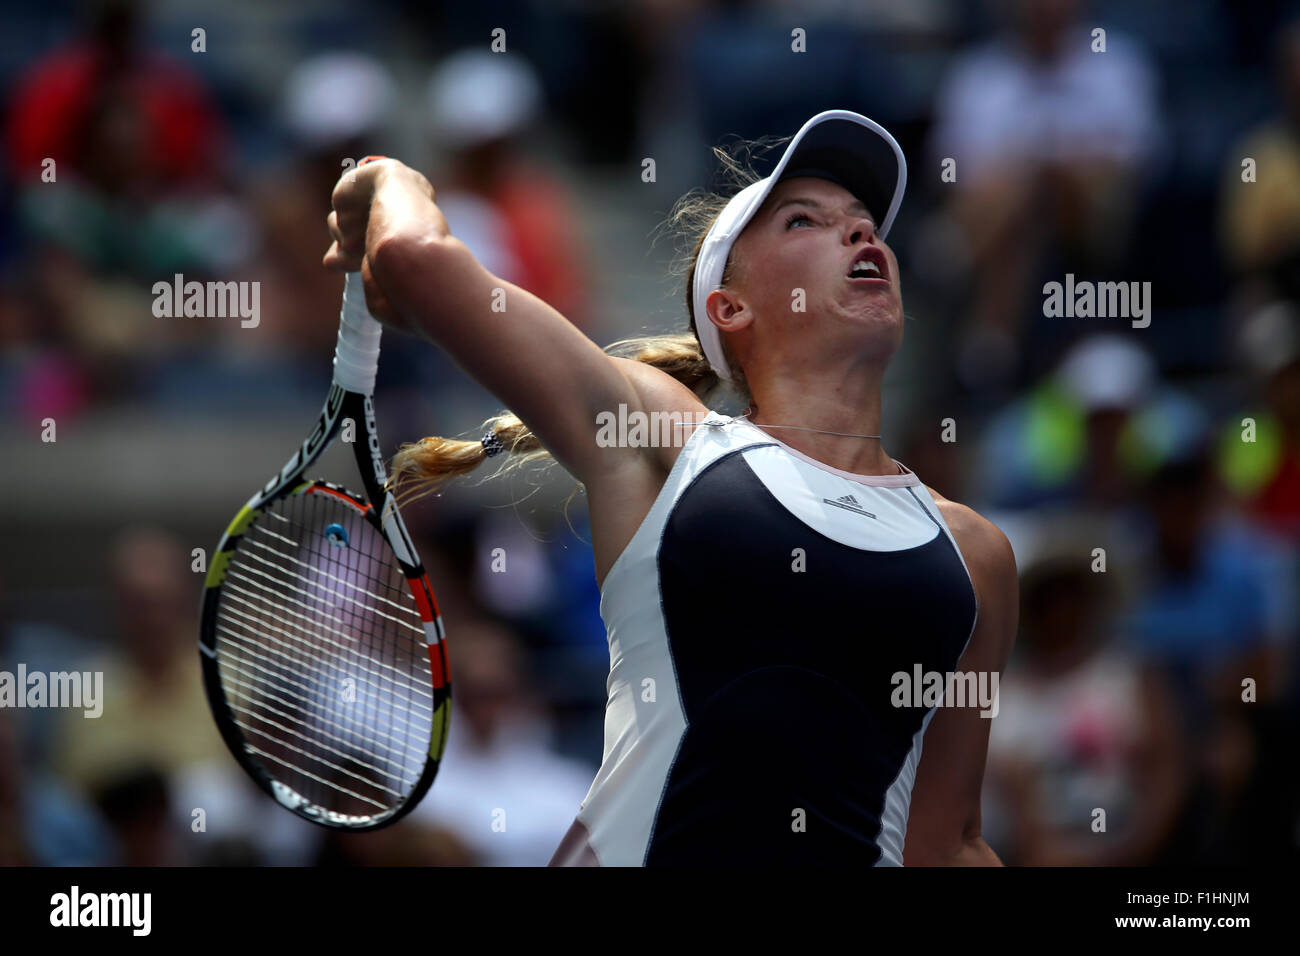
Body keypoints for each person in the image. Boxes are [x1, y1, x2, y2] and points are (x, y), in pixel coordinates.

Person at [322, 110, 1018, 866]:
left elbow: (950, 843)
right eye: (805, 221)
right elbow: (413, 255)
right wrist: (392, 178)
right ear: (731, 308)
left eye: (864, 222)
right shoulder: (665, 439)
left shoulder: (975, 553)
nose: (861, 234)